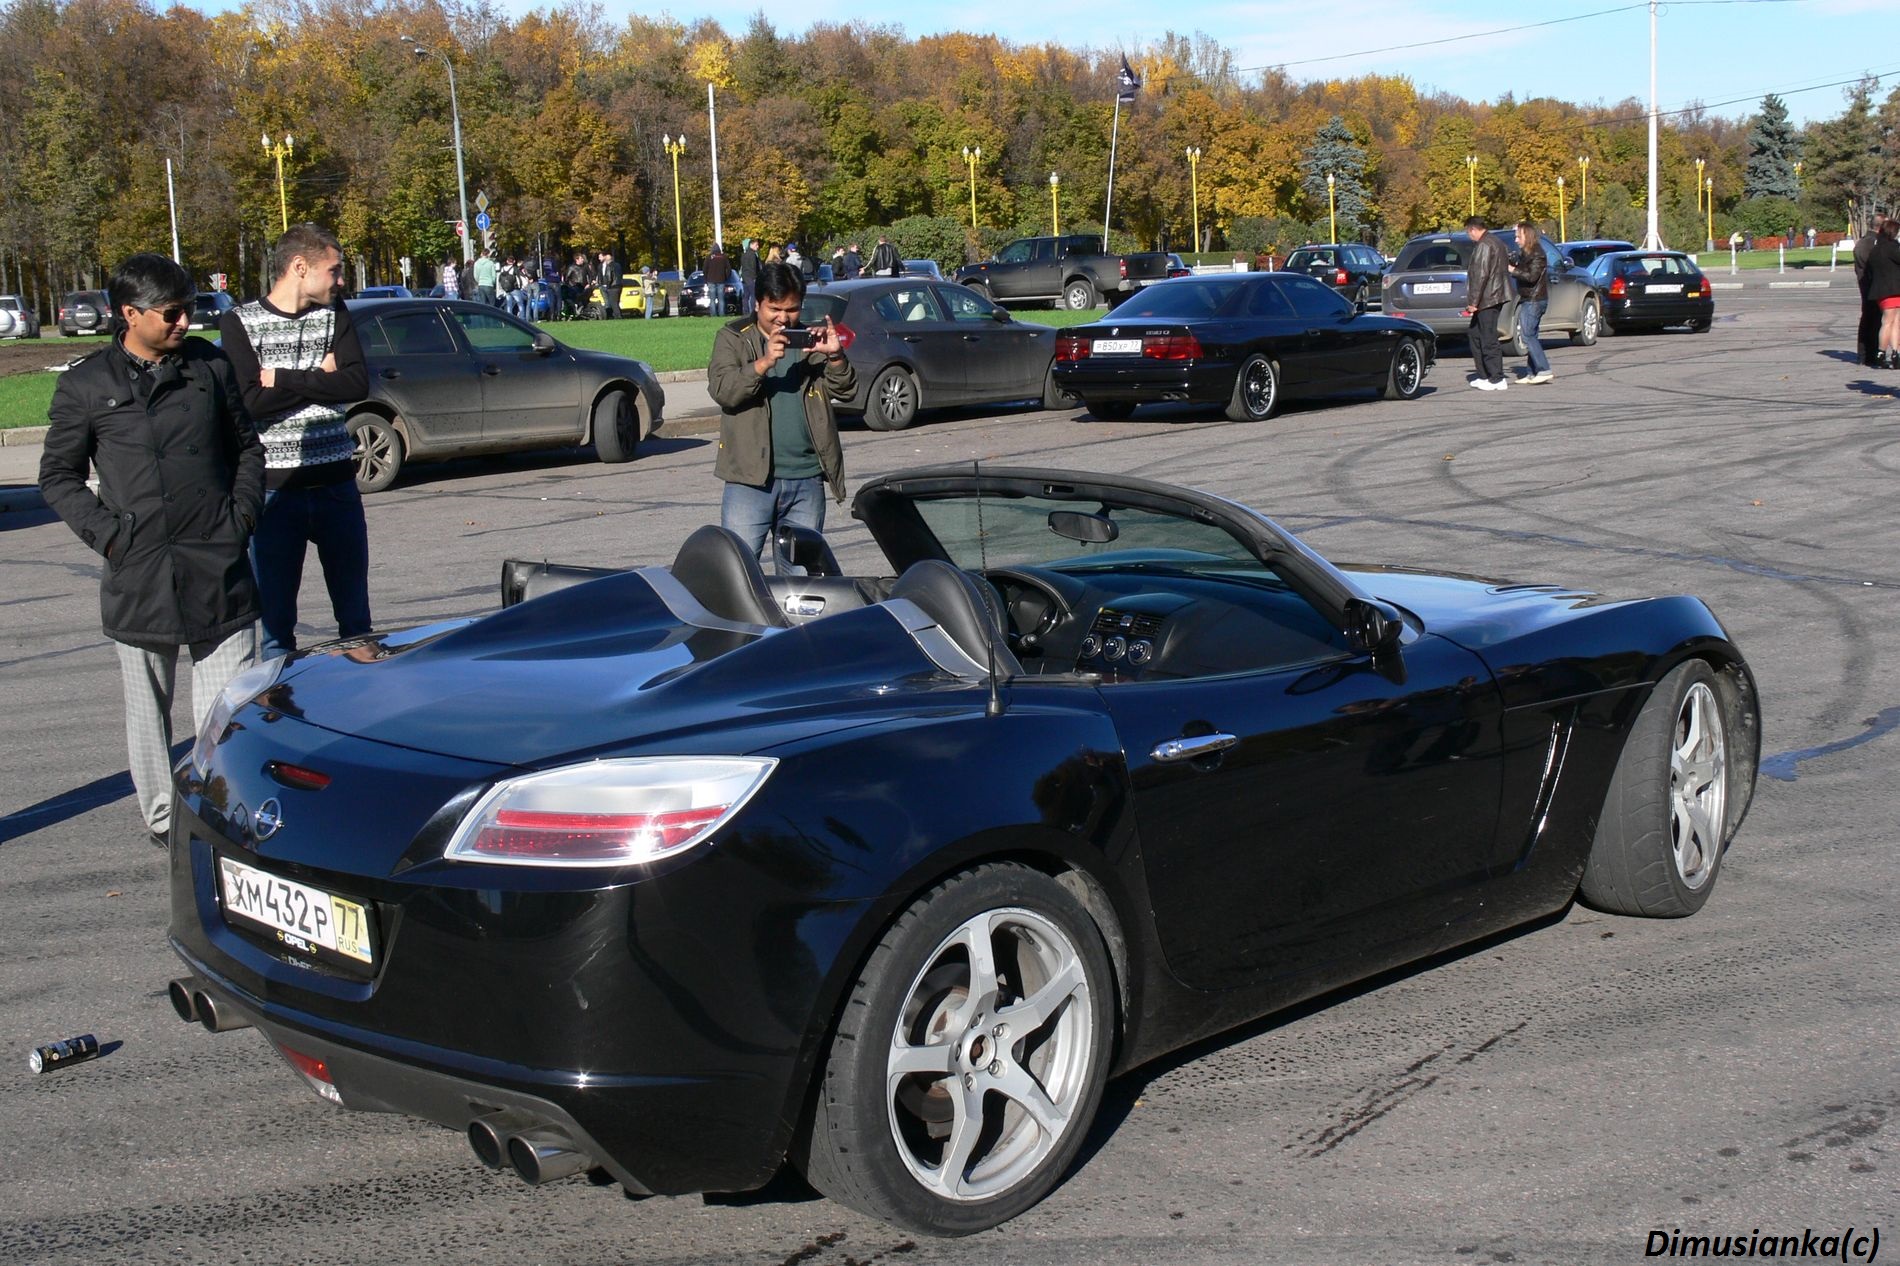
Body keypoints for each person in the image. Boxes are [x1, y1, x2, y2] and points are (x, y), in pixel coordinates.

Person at [38, 253, 265, 846]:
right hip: (138, 572)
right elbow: (58, 476)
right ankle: (166, 820)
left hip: (217, 562)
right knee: (148, 712)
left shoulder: (209, 367)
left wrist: (240, 517)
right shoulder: (86, 385)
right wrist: (111, 536)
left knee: (226, 711)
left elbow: (248, 450)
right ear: (128, 314)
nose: (184, 321)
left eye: (188, 308)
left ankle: (220, 810)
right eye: (170, 313)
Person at [220, 223, 372, 660]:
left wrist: (282, 378)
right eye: (335, 270)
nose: (341, 281)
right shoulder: (240, 323)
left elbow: (356, 382)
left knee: (357, 624)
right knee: (275, 631)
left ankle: (360, 711)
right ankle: (278, 715)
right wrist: (323, 377)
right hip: (274, 494)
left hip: (337, 488)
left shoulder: (335, 313)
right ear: (300, 267)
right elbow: (249, 402)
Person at [706, 261, 855, 556]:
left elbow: (847, 390)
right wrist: (763, 364)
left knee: (800, 578)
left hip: (806, 479)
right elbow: (723, 390)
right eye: (775, 309)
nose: (783, 319)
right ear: (758, 302)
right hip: (749, 482)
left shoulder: (811, 342)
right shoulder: (733, 337)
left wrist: (836, 356)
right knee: (739, 571)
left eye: (792, 310)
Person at [1464, 217, 1510, 391]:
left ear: (1473, 229)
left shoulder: (1484, 245)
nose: (1469, 236)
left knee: (1487, 337)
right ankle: (1484, 375)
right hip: (1493, 295)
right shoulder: (1496, 241)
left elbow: (1480, 275)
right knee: (1475, 334)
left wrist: (1473, 302)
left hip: (1488, 298)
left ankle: (1496, 378)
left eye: (1469, 232)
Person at [1509, 221, 1553, 384]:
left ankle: (1543, 369)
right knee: (1531, 335)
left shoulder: (1537, 253)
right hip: (1529, 298)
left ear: (1526, 236)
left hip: (1535, 300)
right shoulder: (1526, 253)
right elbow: (1525, 270)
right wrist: (1515, 262)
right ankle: (1531, 372)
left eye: (1518, 236)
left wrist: (1513, 270)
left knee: (1527, 336)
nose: (1516, 240)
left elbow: (1531, 276)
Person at [1868, 219, 1900, 370]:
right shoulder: (1892, 248)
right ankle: (1882, 352)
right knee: (1889, 322)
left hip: (1881, 290)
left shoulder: (1876, 248)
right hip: (1894, 289)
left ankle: (1895, 353)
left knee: (1894, 321)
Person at [1854, 218, 1884, 367]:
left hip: (1866, 284)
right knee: (1872, 319)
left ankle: (1865, 353)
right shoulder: (1872, 243)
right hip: (1871, 284)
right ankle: (1868, 354)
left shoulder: (1864, 241)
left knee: (1869, 318)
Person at [703, 242, 731, 316]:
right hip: (721, 280)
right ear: (719, 249)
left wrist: (706, 279)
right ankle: (721, 314)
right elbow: (729, 269)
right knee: (721, 299)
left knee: (712, 299)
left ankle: (713, 314)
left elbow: (704, 269)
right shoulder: (723, 257)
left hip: (711, 280)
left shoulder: (709, 257)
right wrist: (726, 277)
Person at [563, 249, 592, 318]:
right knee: (577, 299)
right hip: (575, 287)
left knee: (585, 300)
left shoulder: (585, 267)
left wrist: (589, 283)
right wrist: (569, 285)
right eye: (581, 258)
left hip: (584, 287)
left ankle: (584, 312)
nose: (582, 260)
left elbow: (590, 275)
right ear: (577, 259)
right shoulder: (572, 267)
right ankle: (575, 311)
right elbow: (566, 277)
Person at [597, 249, 621, 319]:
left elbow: (609, 277)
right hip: (617, 286)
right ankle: (612, 315)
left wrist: (608, 285)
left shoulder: (609, 266)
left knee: (612, 302)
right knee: (614, 302)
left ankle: (617, 316)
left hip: (611, 286)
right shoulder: (618, 265)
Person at [738, 238, 760, 315]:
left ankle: (745, 312)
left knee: (746, 296)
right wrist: (755, 277)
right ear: (751, 245)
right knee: (753, 295)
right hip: (751, 277)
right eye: (756, 245)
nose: (757, 247)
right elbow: (754, 267)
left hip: (744, 278)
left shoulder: (743, 254)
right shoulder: (753, 255)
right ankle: (753, 311)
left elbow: (743, 266)